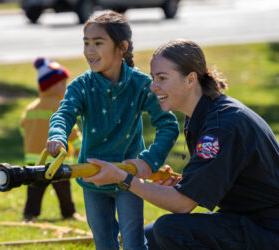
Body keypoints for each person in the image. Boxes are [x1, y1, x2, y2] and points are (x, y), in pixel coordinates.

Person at [83, 39, 279, 249]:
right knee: (149, 235)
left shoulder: (222, 126)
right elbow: (211, 181)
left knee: (169, 230)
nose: (153, 86)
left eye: (162, 78)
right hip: (245, 220)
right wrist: (181, 185)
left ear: (190, 79)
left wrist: (123, 178)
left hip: (267, 229)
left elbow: (183, 204)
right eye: (153, 78)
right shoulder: (203, 115)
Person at [46, 11, 179, 249]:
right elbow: (64, 114)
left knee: (133, 242)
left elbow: (168, 124)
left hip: (128, 179)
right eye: (86, 43)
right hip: (91, 178)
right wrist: (57, 135)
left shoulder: (140, 85)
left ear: (122, 47)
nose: (89, 50)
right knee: (104, 243)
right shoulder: (81, 86)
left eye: (98, 43)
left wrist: (149, 161)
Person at [20, 57, 83, 222]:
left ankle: (29, 215)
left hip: (34, 160)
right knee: (63, 189)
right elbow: (72, 131)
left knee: (34, 189)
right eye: (63, 83)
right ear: (50, 86)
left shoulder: (30, 108)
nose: (66, 87)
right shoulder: (61, 107)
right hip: (58, 160)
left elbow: (22, 127)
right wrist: (80, 147)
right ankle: (69, 213)